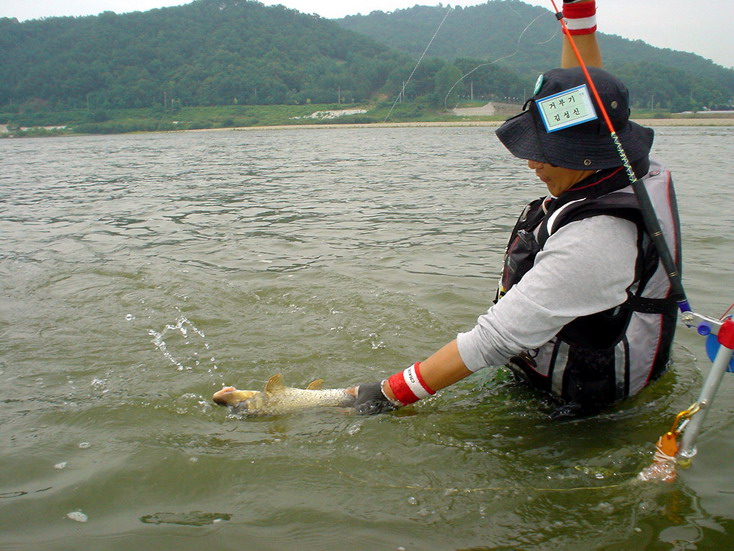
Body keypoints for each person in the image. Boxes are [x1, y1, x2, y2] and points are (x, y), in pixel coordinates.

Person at [353, 0, 682, 417]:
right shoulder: (627, 161)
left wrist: (382, 397)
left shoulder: (596, 241)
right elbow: (589, 91)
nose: (531, 163)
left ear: (587, 156)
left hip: (582, 410)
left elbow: (492, 340)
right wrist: (579, 21)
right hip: (549, 360)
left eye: (545, 153)